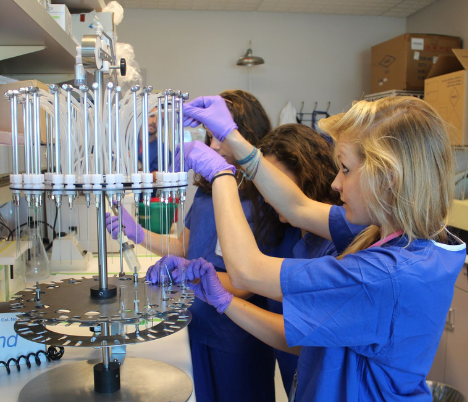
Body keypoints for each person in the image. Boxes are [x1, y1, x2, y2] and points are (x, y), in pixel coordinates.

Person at [165, 95, 466, 401]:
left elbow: (246, 271)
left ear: (387, 178)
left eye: (346, 169)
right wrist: (233, 139)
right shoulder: (392, 234)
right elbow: (297, 206)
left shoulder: (381, 276)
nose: (336, 183)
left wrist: (221, 174)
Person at [113, 89, 284, 402]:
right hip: (196, 322)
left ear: (246, 136)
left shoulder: (263, 199)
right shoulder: (208, 191)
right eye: (210, 137)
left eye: (221, 137)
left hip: (237, 333)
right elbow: (184, 247)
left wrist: (194, 276)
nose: (214, 146)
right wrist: (136, 232)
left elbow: (249, 281)